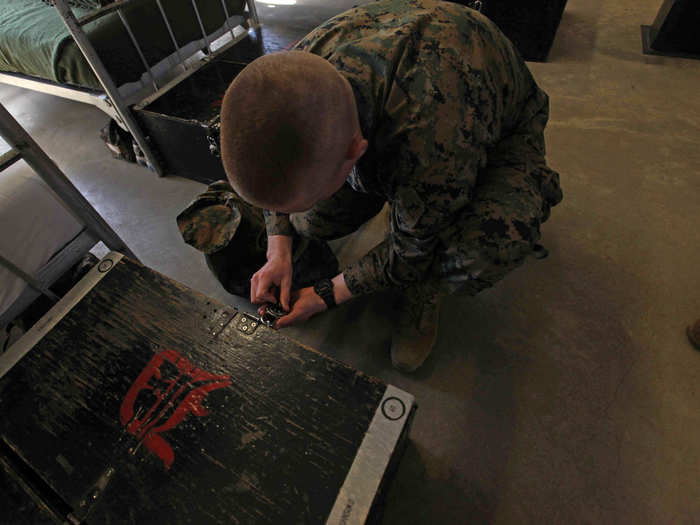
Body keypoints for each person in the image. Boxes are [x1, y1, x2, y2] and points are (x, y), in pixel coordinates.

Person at [178, 0, 563, 372]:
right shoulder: (296, 72)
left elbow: (411, 250)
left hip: (497, 125)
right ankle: (397, 210)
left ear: (356, 152)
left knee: (480, 247)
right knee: (311, 224)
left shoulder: (434, 141)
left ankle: (426, 289)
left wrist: (323, 296)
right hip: (408, 104)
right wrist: (278, 248)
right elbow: (283, 161)